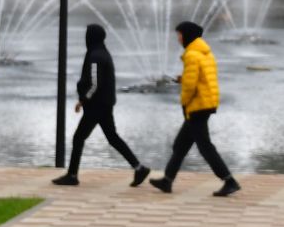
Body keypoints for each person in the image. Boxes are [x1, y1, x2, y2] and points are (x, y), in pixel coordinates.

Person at [151, 20, 241, 197]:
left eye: (179, 34)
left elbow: (191, 87)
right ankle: (167, 181)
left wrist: (184, 103)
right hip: (205, 103)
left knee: (205, 147)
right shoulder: (204, 52)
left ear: (187, 35)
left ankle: (230, 181)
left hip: (198, 106)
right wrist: (182, 78)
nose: (178, 38)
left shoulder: (192, 54)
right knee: (180, 145)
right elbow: (200, 78)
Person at [52, 23, 149, 187]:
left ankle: (72, 175)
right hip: (104, 104)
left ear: (91, 37)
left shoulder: (95, 56)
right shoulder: (102, 52)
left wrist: (83, 100)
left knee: (79, 137)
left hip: (97, 105)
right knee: (112, 138)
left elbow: (94, 83)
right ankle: (139, 168)